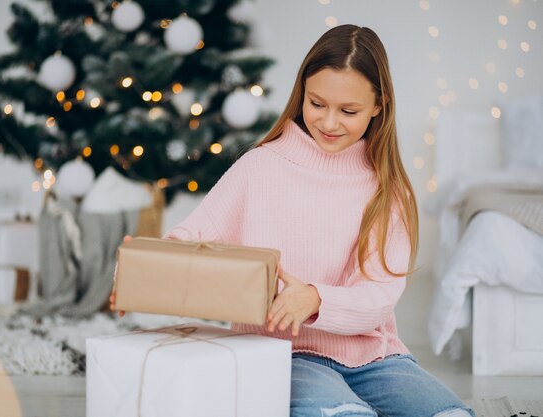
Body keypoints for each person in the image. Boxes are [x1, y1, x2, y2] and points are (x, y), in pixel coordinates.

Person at [110, 24, 474, 417]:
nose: (330, 122)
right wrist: (144, 274)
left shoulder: (387, 188)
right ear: (302, 92)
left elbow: (379, 295)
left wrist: (316, 298)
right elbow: (191, 238)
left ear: (378, 105)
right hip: (283, 353)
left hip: (376, 357)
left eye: (348, 111)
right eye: (317, 104)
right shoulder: (260, 167)